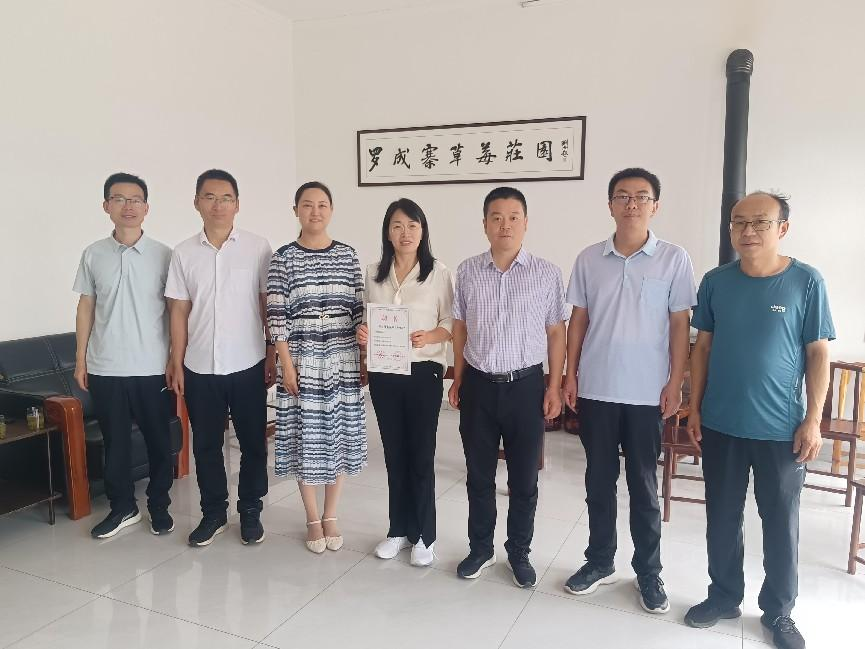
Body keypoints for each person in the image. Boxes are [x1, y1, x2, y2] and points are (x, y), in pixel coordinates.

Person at [684, 192, 834, 649]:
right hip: (721, 423)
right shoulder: (716, 282)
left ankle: (779, 611)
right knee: (722, 517)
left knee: (780, 523)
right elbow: (703, 347)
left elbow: (818, 353)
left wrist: (813, 420)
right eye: (739, 222)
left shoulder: (806, 281)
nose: (747, 231)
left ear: (782, 228)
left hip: (782, 431)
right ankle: (723, 595)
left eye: (760, 222)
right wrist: (695, 407)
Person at [561, 167, 696, 614]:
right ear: (610, 205)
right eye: (622, 196)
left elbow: (679, 324)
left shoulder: (673, 259)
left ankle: (648, 572)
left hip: (646, 393)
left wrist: (675, 381)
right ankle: (600, 561)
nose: (631, 203)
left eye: (641, 196)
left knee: (643, 485)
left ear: (655, 206)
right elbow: (578, 320)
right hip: (597, 387)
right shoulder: (589, 258)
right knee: (598, 481)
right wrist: (570, 374)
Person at [448, 186, 567, 588]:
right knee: (479, 475)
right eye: (496, 217)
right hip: (479, 385)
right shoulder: (467, 271)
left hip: (526, 387)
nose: (505, 225)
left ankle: (519, 552)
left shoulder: (546, 273)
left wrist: (554, 386)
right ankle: (480, 548)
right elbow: (460, 327)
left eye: (513, 217)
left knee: (524, 480)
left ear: (526, 223)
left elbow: (556, 332)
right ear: (484, 224)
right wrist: (458, 376)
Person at [165, 169, 275, 547]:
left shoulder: (258, 247)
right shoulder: (183, 253)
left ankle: (250, 509)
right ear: (197, 202)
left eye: (226, 197)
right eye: (209, 197)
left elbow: (267, 305)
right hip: (200, 366)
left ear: (237, 205)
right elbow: (179, 312)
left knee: (253, 443)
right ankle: (213, 512)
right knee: (206, 445)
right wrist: (176, 361)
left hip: (248, 363)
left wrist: (272, 352)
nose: (218, 205)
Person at [267, 181, 366, 554]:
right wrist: (286, 365)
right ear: (295, 210)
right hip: (301, 358)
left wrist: (364, 354)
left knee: (339, 436)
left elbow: (359, 308)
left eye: (322, 204)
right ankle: (312, 517)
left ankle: (331, 514)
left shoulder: (348, 255)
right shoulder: (283, 258)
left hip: (342, 358)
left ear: (332, 210)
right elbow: (276, 315)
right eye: (307, 205)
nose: (315, 211)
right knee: (305, 439)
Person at [74, 172, 174, 539]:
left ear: (147, 208)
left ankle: (159, 505)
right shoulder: (93, 254)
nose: (127, 206)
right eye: (119, 198)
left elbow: (176, 311)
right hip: (106, 367)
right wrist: (81, 360)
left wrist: (174, 359)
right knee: (115, 442)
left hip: (152, 367)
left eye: (135, 200)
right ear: (106, 206)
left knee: (158, 441)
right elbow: (86, 307)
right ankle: (123, 507)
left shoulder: (165, 256)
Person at [357, 198, 454, 567]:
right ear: (388, 232)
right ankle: (398, 529)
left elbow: (450, 323)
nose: (405, 233)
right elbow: (364, 318)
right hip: (384, 373)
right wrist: (363, 333)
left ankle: (425, 535)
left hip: (424, 373)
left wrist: (429, 336)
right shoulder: (373, 273)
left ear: (422, 231)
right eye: (397, 226)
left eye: (413, 225)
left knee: (421, 455)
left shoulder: (438, 272)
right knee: (394, 454)